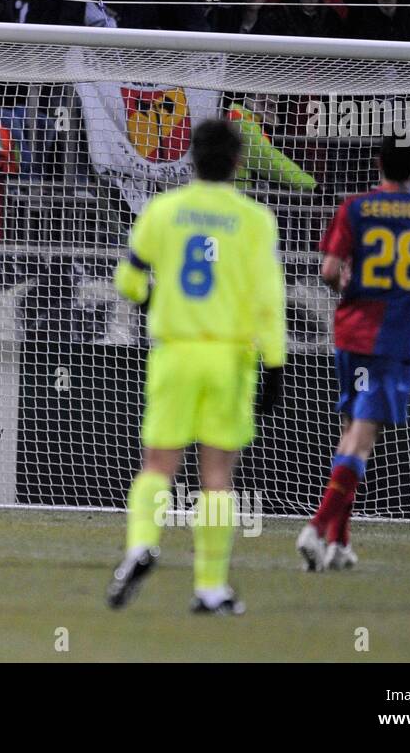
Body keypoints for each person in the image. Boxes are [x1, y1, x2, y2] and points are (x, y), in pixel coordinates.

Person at [105, 119, 286, 615]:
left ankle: (141, 545)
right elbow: (269, 300)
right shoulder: (254, 219)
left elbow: (127, 279)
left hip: (175, 351)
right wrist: (274, 364)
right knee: (216, 476)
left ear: (191, 157)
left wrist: (152, 300)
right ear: (236, 162)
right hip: (230, 357)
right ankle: (209, 588)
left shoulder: (163, 211)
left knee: (158, 465)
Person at [299, 139, 410, 571]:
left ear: (378, 164)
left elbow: (330, 273)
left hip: (351, 334)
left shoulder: (355, 208)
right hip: (391, 341)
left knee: (352, 432)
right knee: (362, 437)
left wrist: (350, 287)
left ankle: (338, 543)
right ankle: (316, 528)